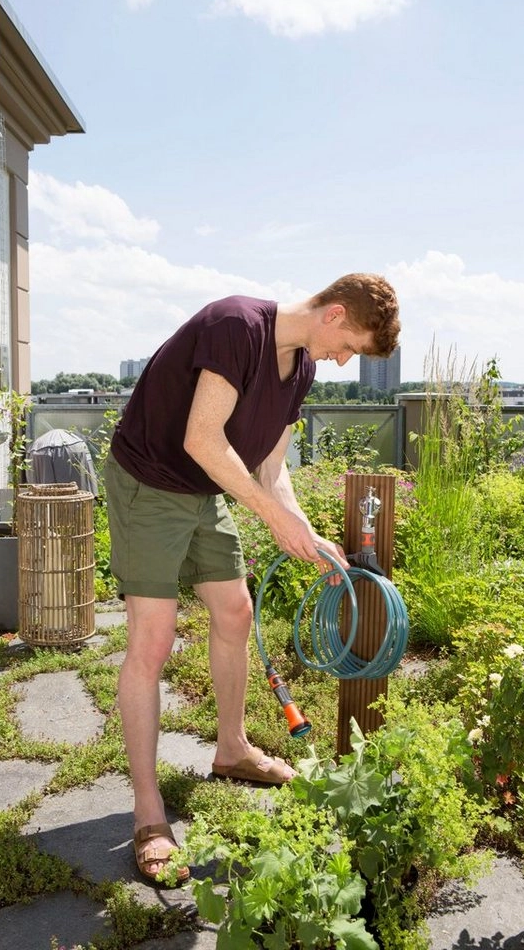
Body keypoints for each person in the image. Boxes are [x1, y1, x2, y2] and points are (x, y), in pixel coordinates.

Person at [104, 272, 400, 884]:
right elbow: (201, 438)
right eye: (351, 346)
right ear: (333, 313)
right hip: (150, 484)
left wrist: (306, 532)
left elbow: (271, 470)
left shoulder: (304, 371)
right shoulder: (236, 325)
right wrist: (272, 521)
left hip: (204, 490)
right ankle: (147, 808)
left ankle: (232, 748)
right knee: (153, 640)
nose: (346, 360)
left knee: (235, 612)